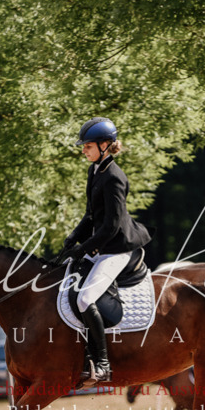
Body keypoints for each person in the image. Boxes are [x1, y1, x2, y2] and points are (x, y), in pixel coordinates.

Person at [62, 117, 152, 382]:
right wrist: (73, 238)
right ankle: (87, 357)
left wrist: (82, 250)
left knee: (84, 299)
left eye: (88, 146)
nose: (83, 150)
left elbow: (111, 227)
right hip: (101, 245)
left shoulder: (114, 177)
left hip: (116, 249)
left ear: (104, 145)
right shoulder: (95, 171)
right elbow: (91, 215)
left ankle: (102, 364)